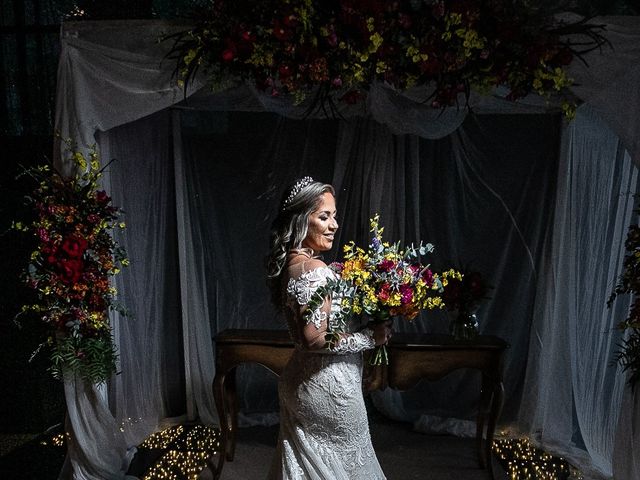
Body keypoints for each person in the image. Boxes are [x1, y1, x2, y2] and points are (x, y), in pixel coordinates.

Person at [266, 176, 390, 480]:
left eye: (334, 215)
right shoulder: (315, 270)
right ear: (300, 220)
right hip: (329, 389)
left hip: (300, 382)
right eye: (324, 216)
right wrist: (369, 337)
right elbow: (314, 338)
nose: (334, 224)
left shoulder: (292, 266)